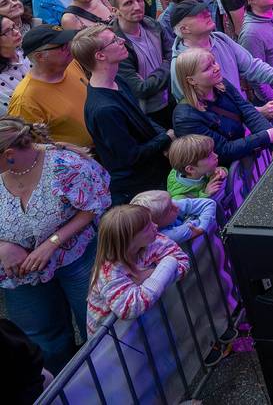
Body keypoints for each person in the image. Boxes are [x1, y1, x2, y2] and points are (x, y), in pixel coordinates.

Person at [0, 118, 110, 372]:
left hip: (76, 259)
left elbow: (93, 205)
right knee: (42, 339)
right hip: (21, 275)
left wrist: (51, 243)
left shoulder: (66, 165)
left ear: (9, 155)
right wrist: (3, 246)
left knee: (96, 324)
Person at [75, 24, 173, 205]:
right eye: (114, 41)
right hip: (139, 187)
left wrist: (163, 137)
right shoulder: (105, 110)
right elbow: (130, 157)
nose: (122, 41)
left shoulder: (118, 80)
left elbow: (142, 120)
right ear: (100, 55)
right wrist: (165, 138)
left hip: (154, 171)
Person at [168, 0, 273, 108]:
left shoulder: (220, 39)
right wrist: (256, 112)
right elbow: (198, 111)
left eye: (205, 10)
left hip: (244, 117)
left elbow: (252, 66)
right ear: (184, 29)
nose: (207, 13)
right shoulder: (179, 66)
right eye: (199, 14)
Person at [85, 204, 189, 335]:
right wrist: (166, 267)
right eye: (147, 228)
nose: (155, 226)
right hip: (113, 342)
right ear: (129, 240)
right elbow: (130, 308)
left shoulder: (155, 240)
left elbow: (182, 263)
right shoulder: (108, 274)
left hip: (143, 328)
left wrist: (147, 275)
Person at [172, 47, 273, 166]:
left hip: (242, 160)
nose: (217, 68)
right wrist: (265, 137)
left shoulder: (221, 84)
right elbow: (223, 150)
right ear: (191, 80)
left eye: (214, 62)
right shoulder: (185, 118)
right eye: (207, 68)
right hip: (221, 176)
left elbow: (248, 111)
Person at [7, 26, 91, 148]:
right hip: (82, 159)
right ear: (40, 56)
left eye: (68, 42)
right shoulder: (24, 100)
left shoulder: (71, 63)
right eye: (61, 46)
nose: (69, 46)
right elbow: (31, 147)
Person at [111, 0, 175, 128]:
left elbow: (174, 55)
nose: (137, 6)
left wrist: (166, 65)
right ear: (115, 11)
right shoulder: (115, 44)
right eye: (128, 3)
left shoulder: (152, 24)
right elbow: (141, 89)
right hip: (149, 113)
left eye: (139, 0)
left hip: (172, 97)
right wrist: (167, 64)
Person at [130, 189, 217, 246]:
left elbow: (209, 203)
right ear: (156, 223)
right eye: (170, 209)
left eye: (171, 200)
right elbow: (193, 228)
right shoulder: (165, 237)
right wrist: (198, 219)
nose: (176, 206)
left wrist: (202, 227)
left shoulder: (170, 204)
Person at [166, 134, 227, 200]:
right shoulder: (180, 199)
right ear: (191, 169)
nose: (216, 155)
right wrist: (205, 194)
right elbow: (193, 210)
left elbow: (215, 171)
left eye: (213, 152)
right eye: (209, 156)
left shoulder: (200, 169)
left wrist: (221, 171)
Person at [0, 14, 30, 114]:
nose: (16, 32)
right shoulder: (1, 78)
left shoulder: (27, 51)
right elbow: (14, 111)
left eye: (14, 26)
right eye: (7, 31)